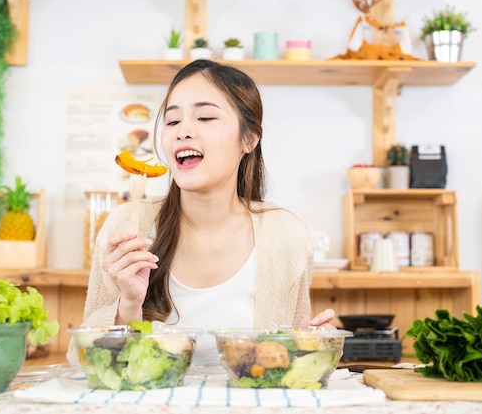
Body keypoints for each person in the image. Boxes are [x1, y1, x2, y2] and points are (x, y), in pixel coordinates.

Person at [67, 59, 335, 367]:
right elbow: (82, 361)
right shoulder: (129, 225)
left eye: (205, 117)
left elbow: (285, 361)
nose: (183, 131)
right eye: (172, 121)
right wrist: (128, 304)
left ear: (249, 139)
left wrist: (304, 346)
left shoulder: (285, 234)